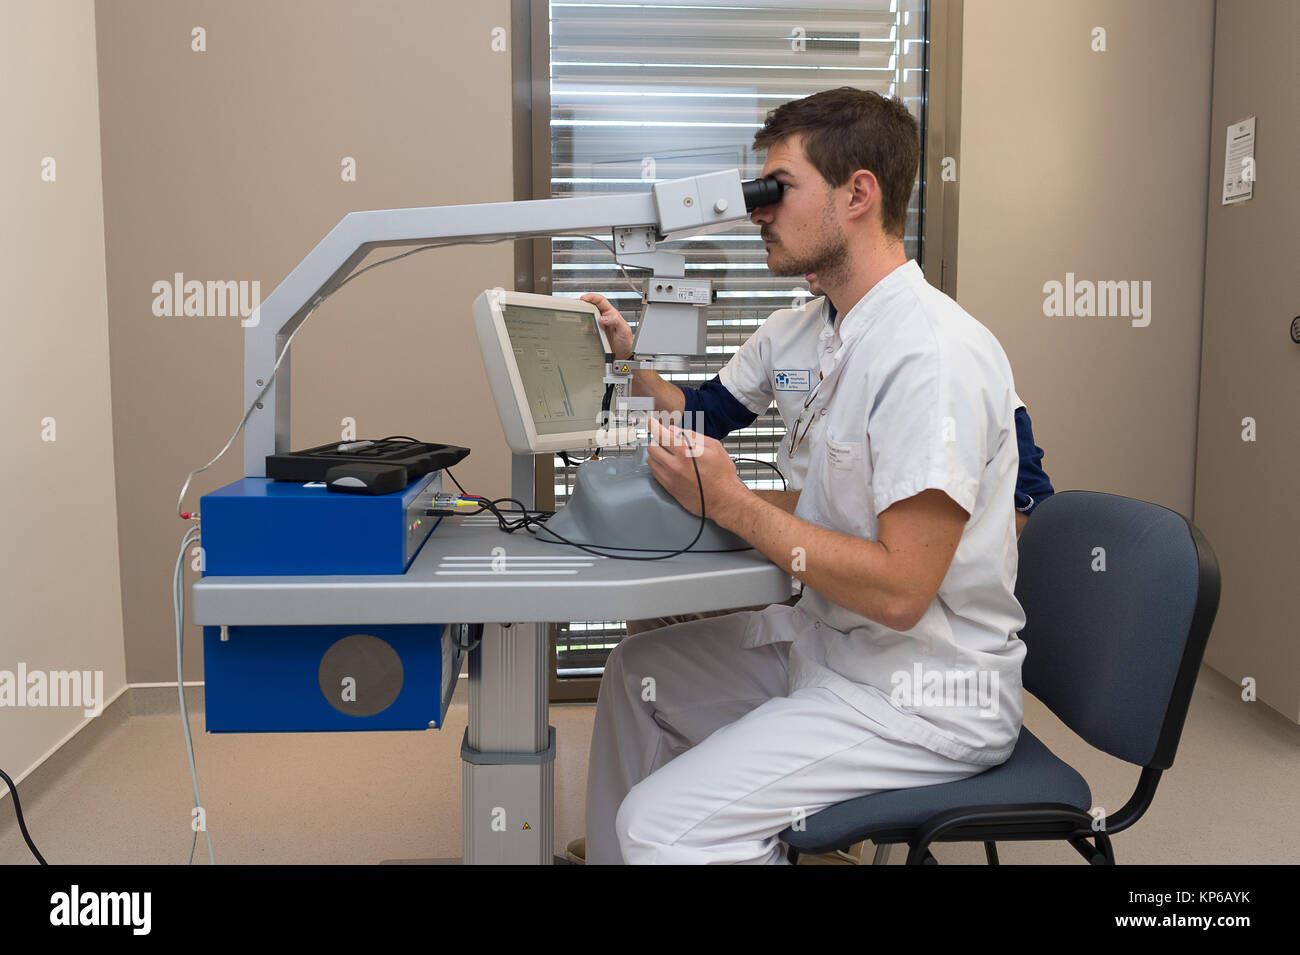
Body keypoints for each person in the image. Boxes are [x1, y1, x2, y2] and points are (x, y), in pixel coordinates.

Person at [583, 87, 1029, 864]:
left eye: (776, 189)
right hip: (832, 646)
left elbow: (899, 590)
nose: (757, 210)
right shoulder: (831, 336)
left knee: (660, 824)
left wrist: (732, 502)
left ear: (858, 193)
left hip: (920, 694)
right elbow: (805, 480)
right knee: (637, 672)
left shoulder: (929, 357)